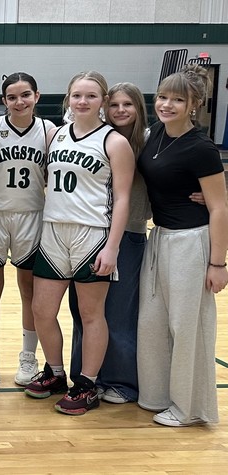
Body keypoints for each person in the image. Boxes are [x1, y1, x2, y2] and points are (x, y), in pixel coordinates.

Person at [25, 71, 133, 416]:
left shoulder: (114, 141)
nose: (82, 102)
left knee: (90, 314)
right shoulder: (56, 136)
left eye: (90, 96)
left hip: (92, 233)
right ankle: (56, 373)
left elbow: (124, 198)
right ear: (67, 99)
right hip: (54, 231)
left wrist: (112, 246)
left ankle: (87, 385)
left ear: (102, 101)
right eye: (76, 95)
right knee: (41, 310)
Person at [137, 65, 226, 427]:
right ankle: (157, 394)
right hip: (160, 238)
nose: (167, 104)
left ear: (194, 105)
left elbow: (220, 206)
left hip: (193, 242)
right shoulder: (156, 133)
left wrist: (218, 264)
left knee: (188, 327)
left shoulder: (200, 147)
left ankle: (190, 408)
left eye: (177, 99)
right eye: (163, 97)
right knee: (153, 323)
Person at [66, 82, 150, 405]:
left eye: (127, 104)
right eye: (114, 104)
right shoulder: (95, 137)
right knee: (83, 310)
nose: (120, 110)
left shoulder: (147, 140)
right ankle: (88, 376)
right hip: (88, 234)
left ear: (139, 108)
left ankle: (122, 381)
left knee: (118, 312)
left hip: (126, 235)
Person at [0, 73, 54, 388]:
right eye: (12, 97)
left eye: (25, 95)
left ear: (37, 95)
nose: (19, 102)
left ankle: (28, 356)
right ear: (3, 101)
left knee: (29, 291)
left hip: (32, 216)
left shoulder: (50, 131)